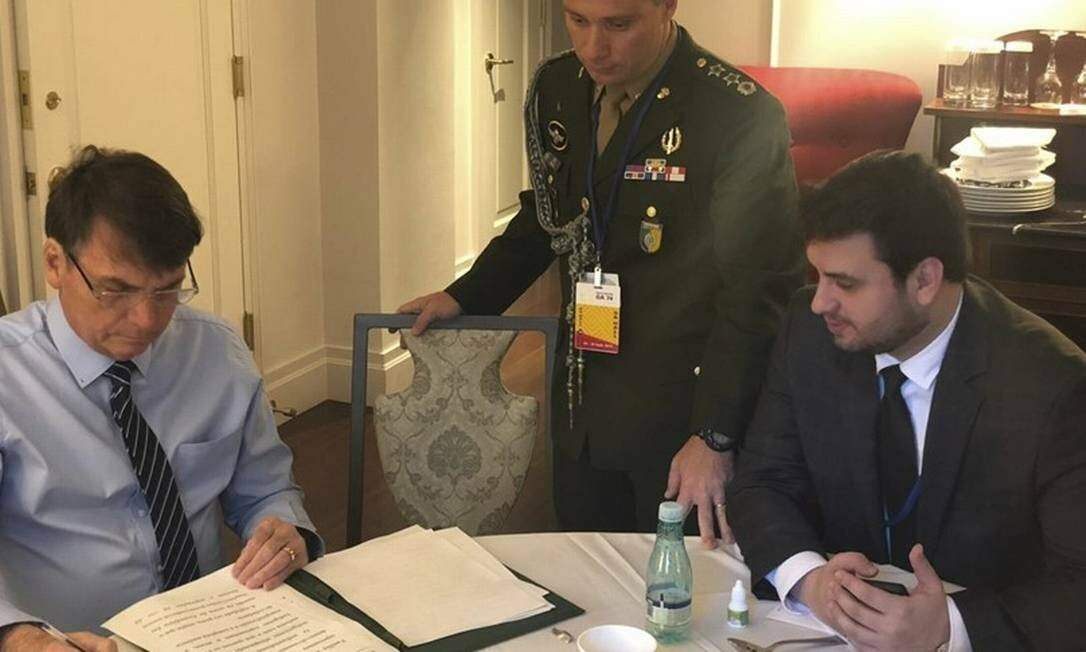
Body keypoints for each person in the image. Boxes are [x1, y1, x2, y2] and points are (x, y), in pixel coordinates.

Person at [399, 0, 802, 542]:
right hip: (581, 392)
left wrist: (716, 435)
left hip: (680, 408)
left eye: (618, 24)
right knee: (582, 558)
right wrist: (465, 295)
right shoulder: (558, 87)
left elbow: (758, 290)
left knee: (672, 577)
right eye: (577, 20)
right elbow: (547, 215)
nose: (594, 47)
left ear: (667, 7)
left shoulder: (735, 111)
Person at [727, 150, 1086, 650]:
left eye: (844, 283)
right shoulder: (810, 333)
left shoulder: (1052, 387)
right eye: (818, 275)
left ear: (924, 280)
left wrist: (950, 626)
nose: (820, 302)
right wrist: (810, 581)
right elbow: (764, 480)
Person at [0, 146, 322, 650]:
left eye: (167, 290)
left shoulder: (216, 352)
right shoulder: (7, 376)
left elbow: (265, 489)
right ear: (55, 263)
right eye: (115, 291)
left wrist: (283, 529)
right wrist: (15, 636)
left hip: (216, 629)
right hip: (66, 640)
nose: (147, 321)